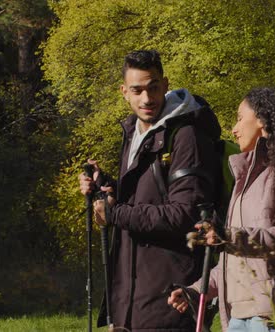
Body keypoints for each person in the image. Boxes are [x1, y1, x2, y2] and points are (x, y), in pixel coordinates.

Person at [79, 50, 221, 331]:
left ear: (166, 85)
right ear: (124, 92)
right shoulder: (135, 131)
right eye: (137, 90)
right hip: (131, 303)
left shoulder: (185, 136)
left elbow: (185, 214)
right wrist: (104, 185)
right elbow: (145, 197)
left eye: (153, 87)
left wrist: (114, 213)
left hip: (169, 304)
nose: (147, 98)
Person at [168, 87, 275, 331]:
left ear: (263, 120)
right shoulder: (244, 180)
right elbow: (235, 261)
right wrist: (196, 290)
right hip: (239, 316)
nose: (234, 128)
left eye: (240, 117)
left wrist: (228, 237)